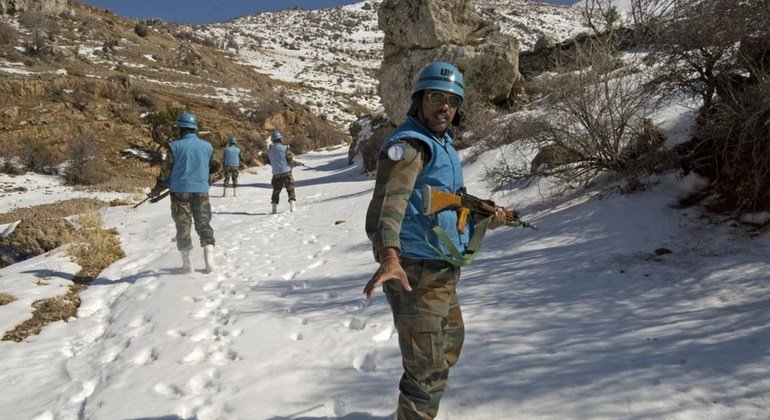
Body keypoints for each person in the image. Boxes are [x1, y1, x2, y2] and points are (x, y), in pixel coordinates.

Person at [363, 62, 506, 419]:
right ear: (419, 100)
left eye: (453, 101)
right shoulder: (410, 146)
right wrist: (389, 257)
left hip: (442, 270)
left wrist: (482, 215)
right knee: (425, 373)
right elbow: (388, 206)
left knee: (446, 350)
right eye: (436, 97)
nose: (445, 106)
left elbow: (442, 204)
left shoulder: (441, 145)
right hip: (414, 273)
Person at [149, 112, 219, 273]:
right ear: (194, 129)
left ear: (180, 129)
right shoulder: (207, 147)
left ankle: (188, 266)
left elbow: (166, 172)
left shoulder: (174, 147)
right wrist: (204, 175)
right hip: (201, 190)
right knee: (203, 224)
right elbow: (215, 165)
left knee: (183, 226)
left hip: (180, 192)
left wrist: (157, 189)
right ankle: (210, 263)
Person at [266, 130, 297, 214]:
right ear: (280, 139)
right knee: (290, 189)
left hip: (276, 173)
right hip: (286, 172)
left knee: (276, 191)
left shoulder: (269, 150)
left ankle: (274, 209)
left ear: (272, 139)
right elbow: (290, 161)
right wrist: (296, 164)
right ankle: (292, 207)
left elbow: (268, 161)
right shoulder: (285, 148)